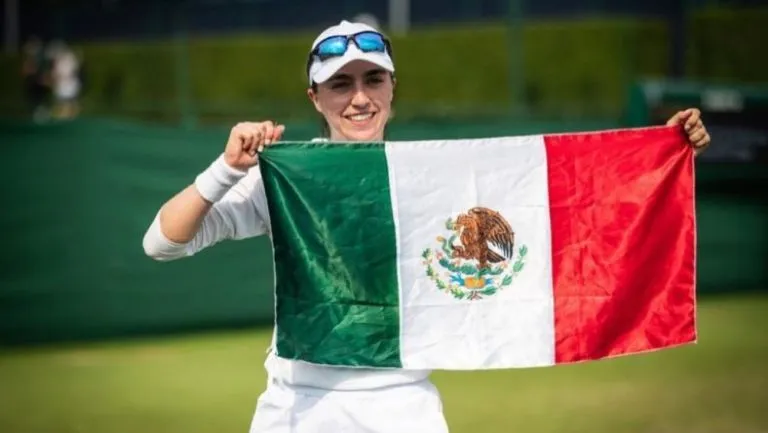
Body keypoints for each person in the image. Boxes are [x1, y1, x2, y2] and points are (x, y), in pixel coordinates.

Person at [142, 20, 712, 433]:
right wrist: (225, 170)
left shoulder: (434, 178)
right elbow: (162, 243)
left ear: (393, 89)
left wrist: (662, 150)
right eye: (341, 84)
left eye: (372, 80)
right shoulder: (287, 178)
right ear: (314, 97)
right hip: (296, 409)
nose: (359, 97)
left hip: (404, 408)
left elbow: (571, 203)